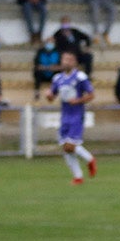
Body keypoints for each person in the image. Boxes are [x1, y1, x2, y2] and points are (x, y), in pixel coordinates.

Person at [47, 50, 97, 184]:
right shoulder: (57, 78)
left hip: (76, 115)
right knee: (66, 148)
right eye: (64, 59)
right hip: (64, 115)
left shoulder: (80, 77)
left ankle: (90, 159)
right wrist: (49, 95)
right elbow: (52, 96)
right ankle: (78, 177)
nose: (66, 62)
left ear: (74, 62)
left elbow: (91, 94)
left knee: (70, 145)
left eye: (69, 60)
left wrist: (78, 100)